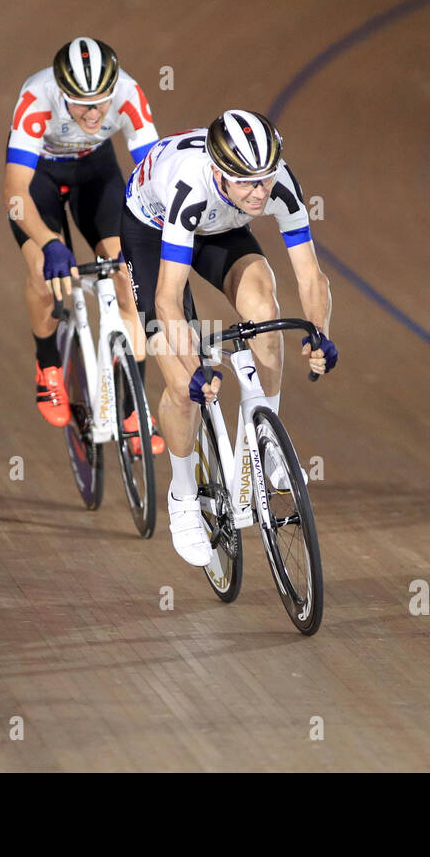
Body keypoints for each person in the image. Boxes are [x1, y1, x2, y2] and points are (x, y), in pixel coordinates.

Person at [121, 109, 338, 566]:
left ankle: (269, 450)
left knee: (267, 313)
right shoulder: (190, 189)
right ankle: (182, 497)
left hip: (221, 225)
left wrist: (319, 333)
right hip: (154, 228)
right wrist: (193, 368)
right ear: (220, 172)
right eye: (247, 184)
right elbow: (167, 301)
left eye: (265, 180)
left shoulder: (273, 183)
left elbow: (310, 274)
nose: (260, 193)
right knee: (182, 386)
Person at [3, 37, 164, 454]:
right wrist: (49, 242)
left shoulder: (128, 94)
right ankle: (48, 365)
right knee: (45, 271)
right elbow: (16, 191)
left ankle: (133, 408)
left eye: (101, 103)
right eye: (81, 104)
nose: (93, 114)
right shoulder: (37, 96)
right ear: (61, 92)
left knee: (129, 276)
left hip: (96, 173)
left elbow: (156, 174)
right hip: (40, 174)